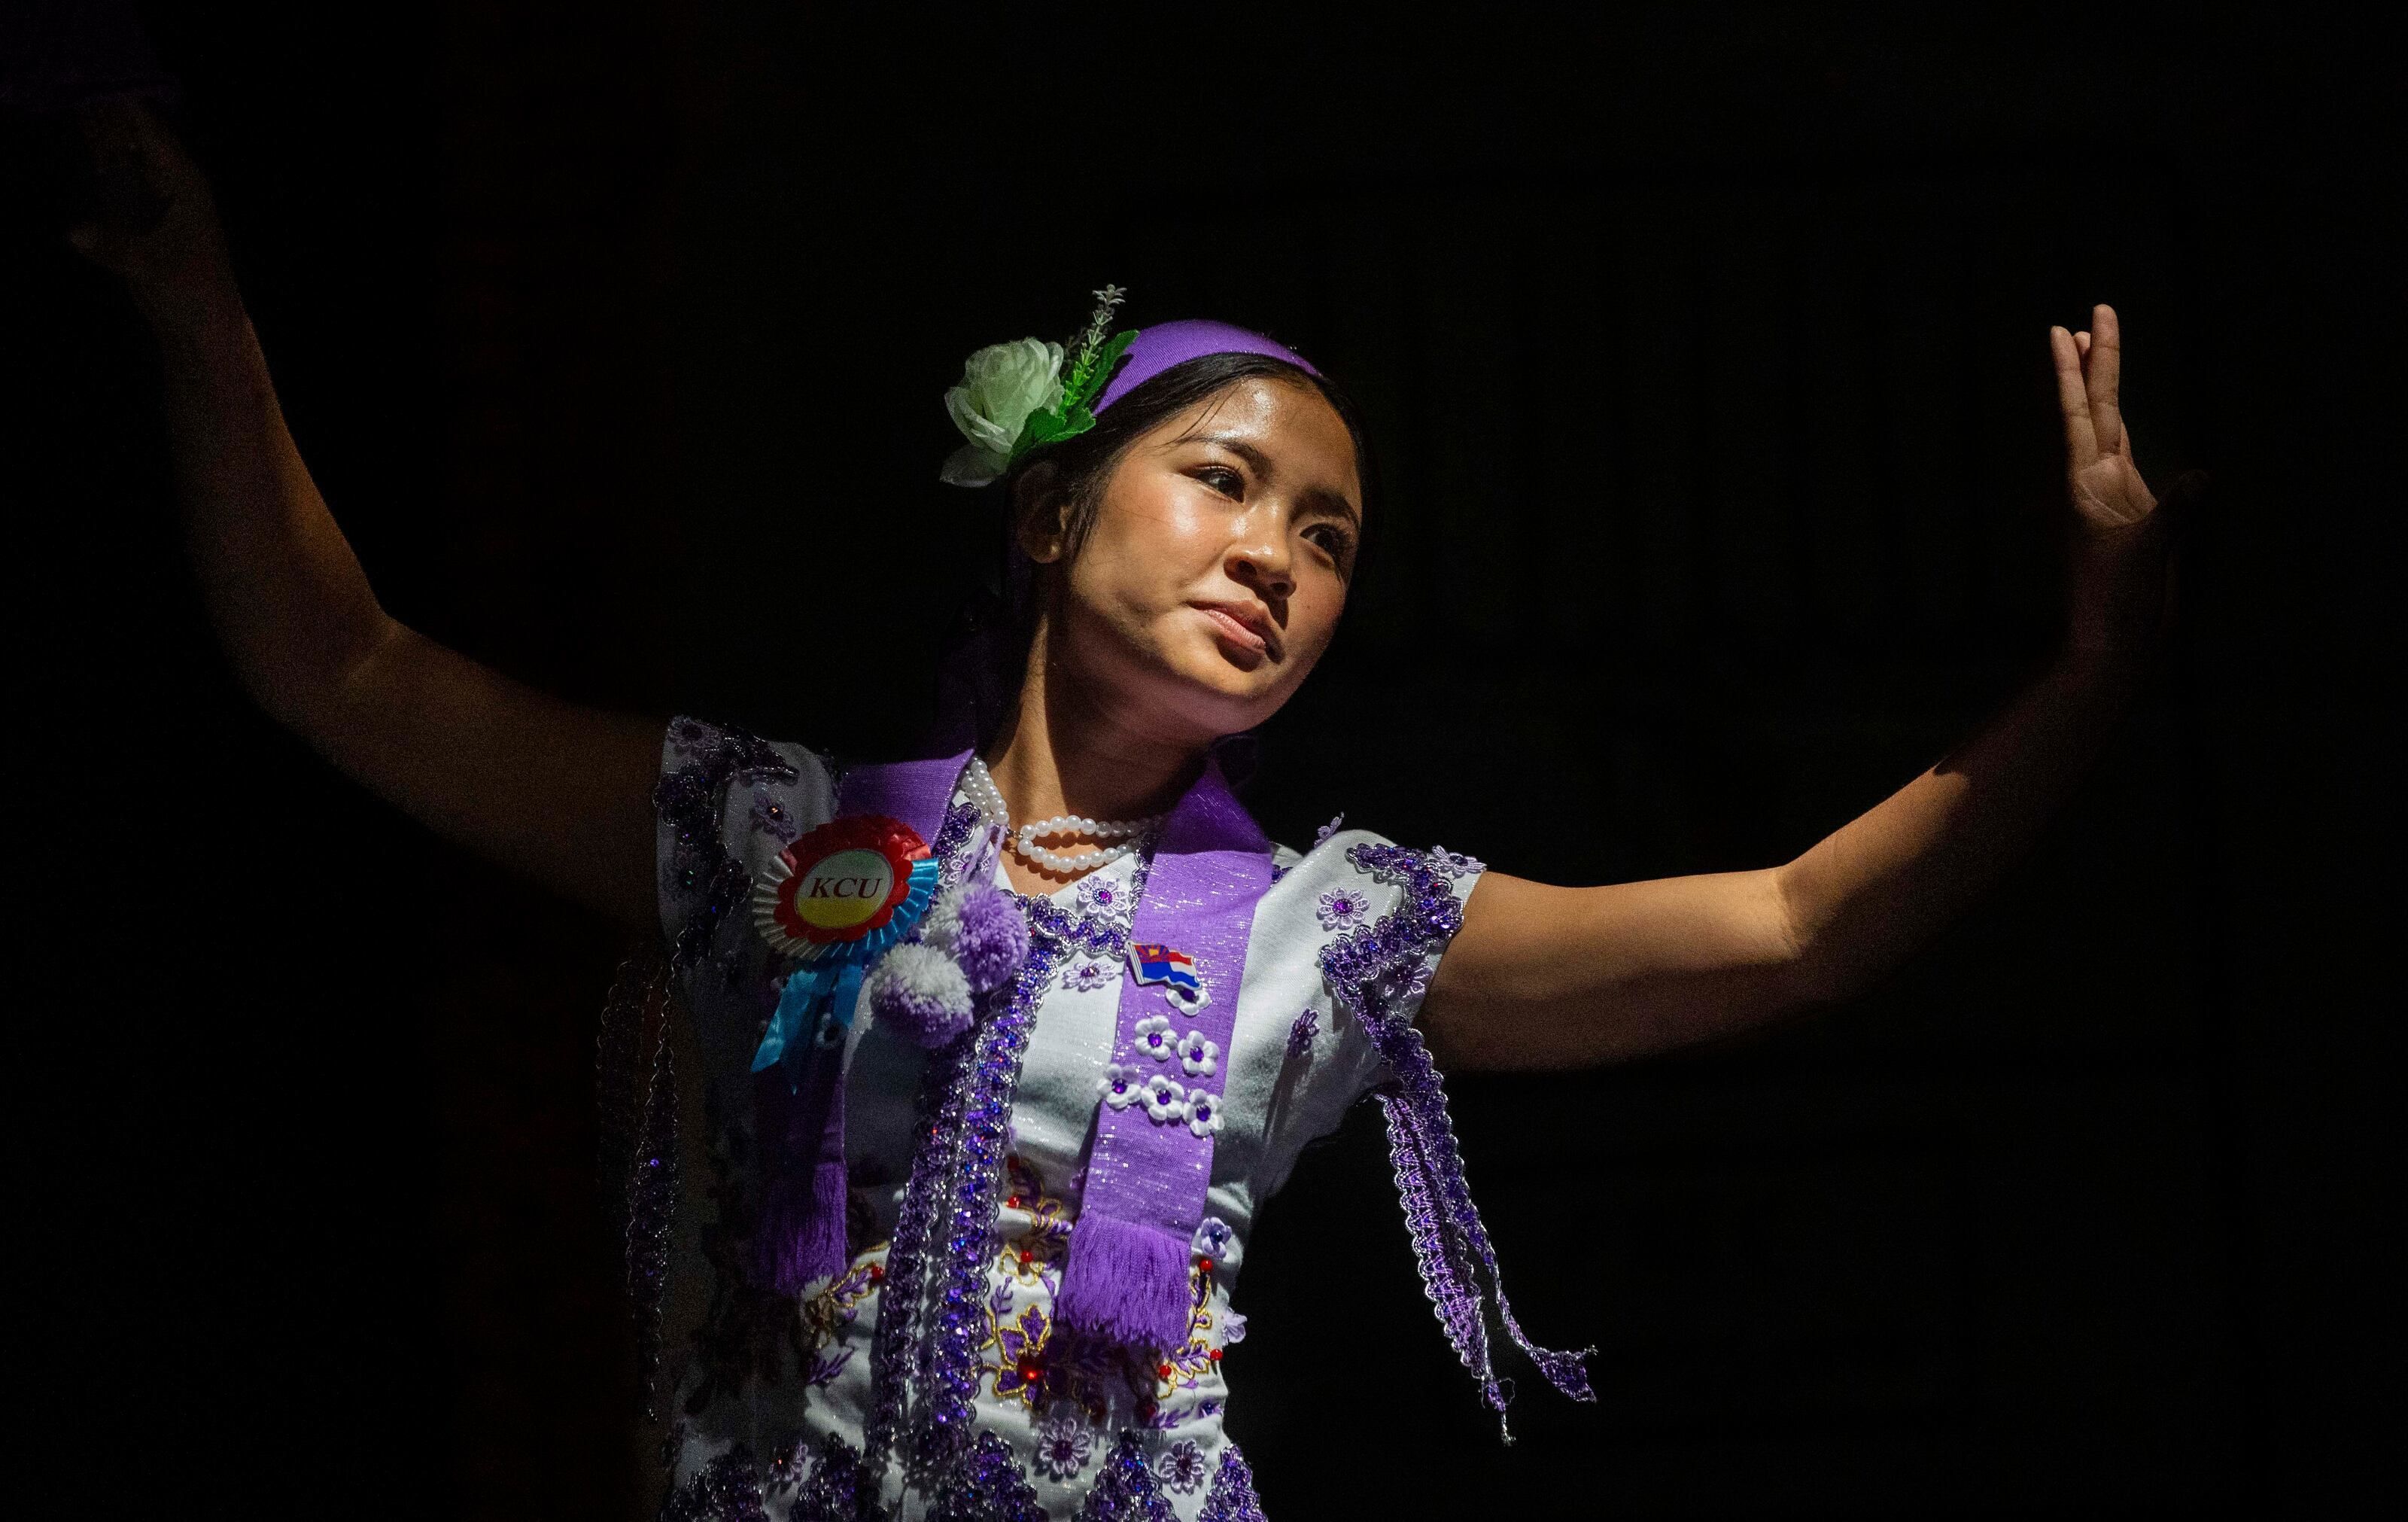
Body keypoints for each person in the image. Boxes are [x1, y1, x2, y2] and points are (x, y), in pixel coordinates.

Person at [65, 96, 2196, 1520]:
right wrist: (200, 325)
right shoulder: (767, 831)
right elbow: (342, 670)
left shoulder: (1328, 932)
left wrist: (2089, 673)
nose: (1281, 553)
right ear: (1056, 500)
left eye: (1336, 538)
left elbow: (1801, 925)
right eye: (1230, 481)